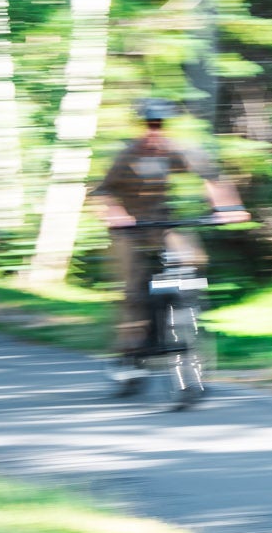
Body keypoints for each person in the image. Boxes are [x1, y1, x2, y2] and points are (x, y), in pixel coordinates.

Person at [92, 98, 246, 380]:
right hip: (130, 230)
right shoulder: (126, 154)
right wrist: (117, 215)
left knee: (192, 258)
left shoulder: (177, 150)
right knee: (134, 292)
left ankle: (187, 309)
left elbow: (212, 177)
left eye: (160, 124)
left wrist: (229, 208)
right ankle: (128, 354)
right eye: (149, 124)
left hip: (163, 224)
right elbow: (103, 192)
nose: (155, 130)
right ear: (139, 126)